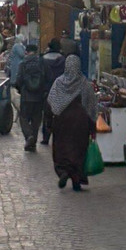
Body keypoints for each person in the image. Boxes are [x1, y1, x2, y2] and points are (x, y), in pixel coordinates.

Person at [45, 55, 98, 191]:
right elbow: (91, 106)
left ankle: (63, 171)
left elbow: (50, 103)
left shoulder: (59, 82)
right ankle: (76, 179)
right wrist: (93, 127)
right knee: (78, 150)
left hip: (61, 122)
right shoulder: (84, 84)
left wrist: (49, 123)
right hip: (80, 123)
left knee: (61, 148)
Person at [14, 43, 46, 151]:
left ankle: (29, 136)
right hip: (38, 97)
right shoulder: (41, 63)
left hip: (26, 96)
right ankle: (33, 143)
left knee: (23, 118)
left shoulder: (23, 63)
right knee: (36, 120)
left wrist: (20, 89)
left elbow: (18, 80)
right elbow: (46, 78)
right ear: (36, 52)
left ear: (26, 52)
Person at [39, 39, 66, 145]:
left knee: (46, 115)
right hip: (59, 90)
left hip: (46, 90)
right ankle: (58, 136)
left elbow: (40, 76)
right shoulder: (63, 60)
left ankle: (46, 137)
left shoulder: (43, 59)